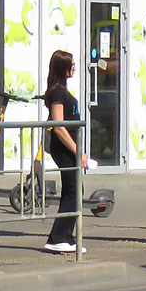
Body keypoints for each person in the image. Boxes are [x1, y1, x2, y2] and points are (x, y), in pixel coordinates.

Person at [42, 49, 87, 254]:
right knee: (72, 190)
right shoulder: (57, 93)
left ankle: (66, 236)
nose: (75, 68)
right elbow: (59, 125)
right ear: (63, 67)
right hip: (63, 147)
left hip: (68, 146)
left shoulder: (62, 91)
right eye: (72, 64)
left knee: (74, 189)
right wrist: (78, 151)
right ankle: (58, 237)